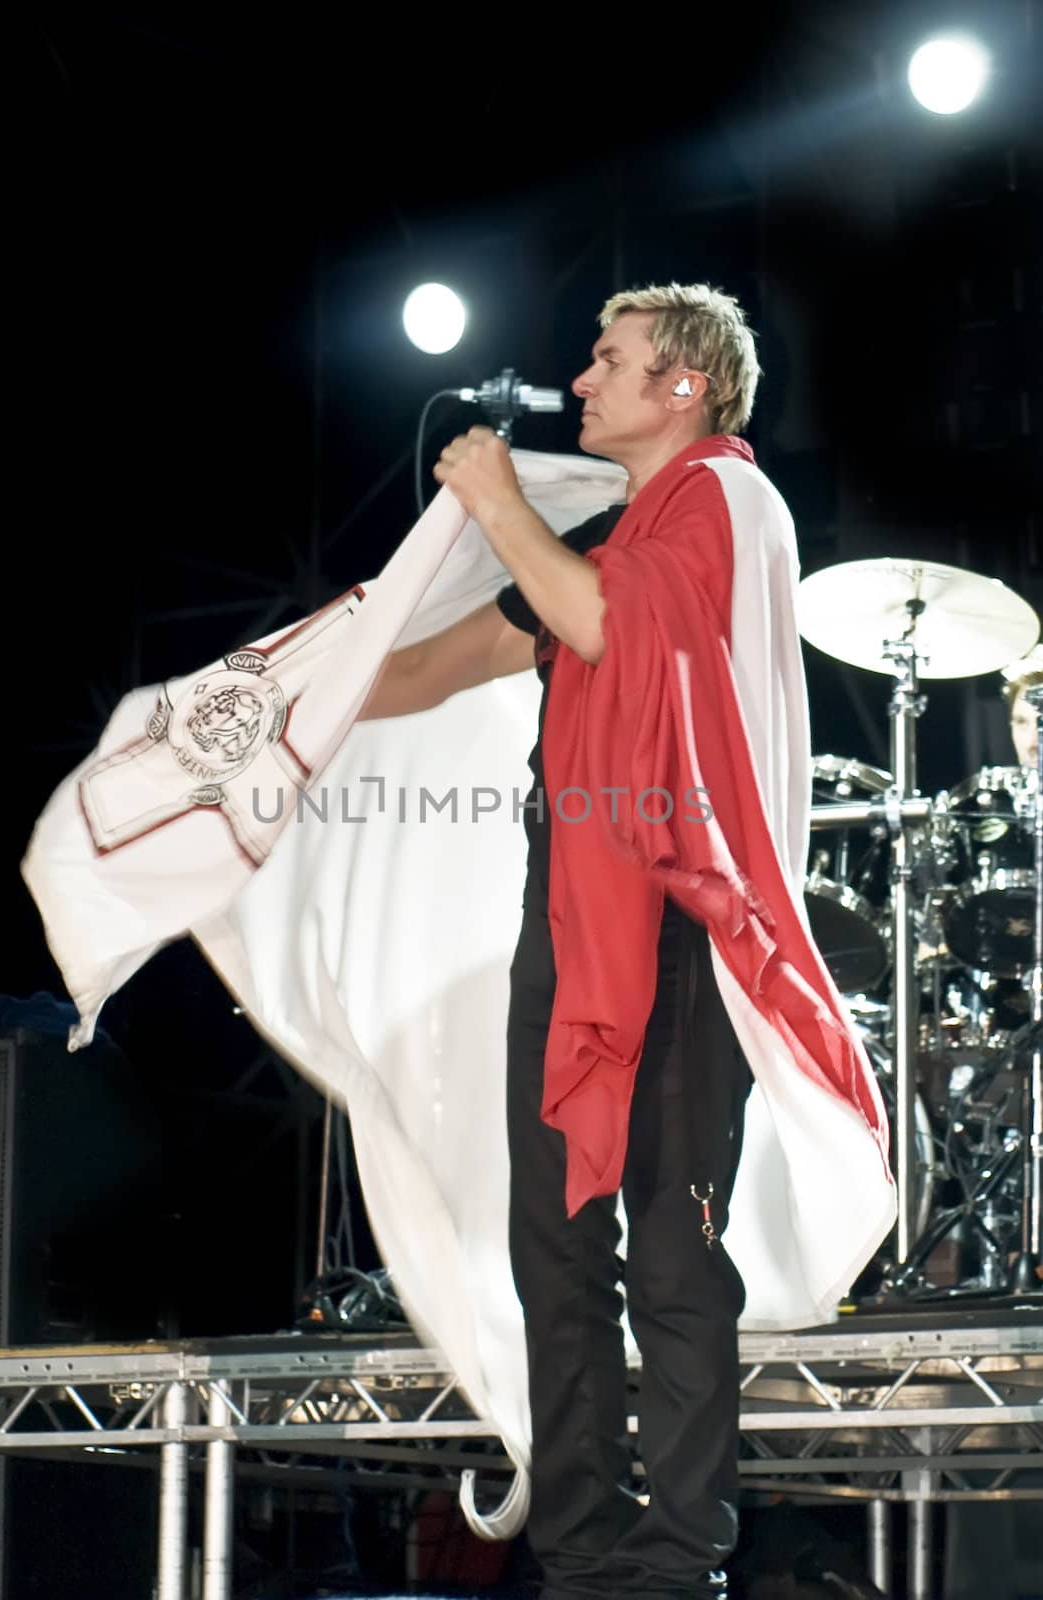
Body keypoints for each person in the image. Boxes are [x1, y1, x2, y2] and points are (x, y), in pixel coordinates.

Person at [359, 283, 881, 1600]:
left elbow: (609, 623)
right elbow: (436, 665)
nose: (579, 382)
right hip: (572, 917)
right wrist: (278, 692)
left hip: (681, 921)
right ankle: (584, 1554)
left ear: (683, 387)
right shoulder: (606, 539)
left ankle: (674, 1561)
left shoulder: (723, 499)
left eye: (609, 361)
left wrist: (492, 504)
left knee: (667, 1245)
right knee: (556, 1243)